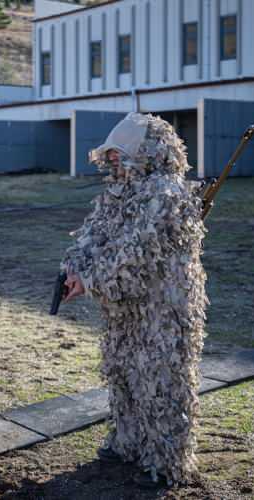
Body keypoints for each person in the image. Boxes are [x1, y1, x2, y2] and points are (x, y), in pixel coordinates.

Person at [61, 113, 208, 487]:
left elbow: (135, 252)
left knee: (161, 381)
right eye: (109, 155)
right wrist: (75, 269)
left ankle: (165, 463)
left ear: (148, 152)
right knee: (123, 372)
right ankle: (128, 442)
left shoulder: (166, 193)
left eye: (119, 154)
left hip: (162, 310)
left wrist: (90, 278)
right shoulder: (119, 191)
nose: (112, 161)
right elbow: (93, 235)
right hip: (122, 307)